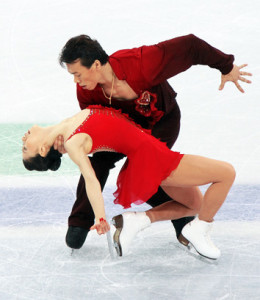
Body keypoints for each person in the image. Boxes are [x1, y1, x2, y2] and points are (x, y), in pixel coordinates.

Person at [56, 33, 251, 250]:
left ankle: (177, 214)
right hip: (119, 130)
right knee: (98, 162)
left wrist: (225, 66)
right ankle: (79, 222)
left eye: (77, 74)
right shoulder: (86, 91)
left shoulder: (141, 63)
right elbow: (91, 124)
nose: (75, 80)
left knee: (145, 172)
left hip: (161, 124)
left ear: (95, 65)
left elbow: (190, 45)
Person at [22, 105, 236, 259]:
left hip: (152, 153)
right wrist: (100, 216)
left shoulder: (67, 126)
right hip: (152, 159)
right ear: (41, 150)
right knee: (226, 174)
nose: (23, 139)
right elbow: (91, 180)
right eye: (25, 148)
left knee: (194, 205)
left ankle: (136, 221)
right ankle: (201, 229)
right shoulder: (73, 143)